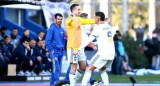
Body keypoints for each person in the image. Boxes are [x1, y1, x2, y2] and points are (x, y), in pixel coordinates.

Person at [54, 13, 101, 86]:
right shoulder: (79, 26)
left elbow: (85, 38)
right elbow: (83, 38)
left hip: (79, 48)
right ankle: (90, 81)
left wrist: (91, 44)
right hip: (75, 48)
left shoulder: (82, 27)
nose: (86, 21)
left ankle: (67, 81)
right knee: (79, 65)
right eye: (85, 19)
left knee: (77, 66)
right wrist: (92, 44)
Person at [73, 12, 115, 86]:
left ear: (98, 18)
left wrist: (78, 49)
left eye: (94, 17)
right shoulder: (109, 26)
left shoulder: (98, 28)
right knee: (102, 69)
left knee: (89, 69)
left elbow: (88, 40)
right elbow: (105, 39)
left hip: (103, 53)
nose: (93, 19)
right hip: (111, 53)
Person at [66, 4, 95, 86]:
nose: (80, 11)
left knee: (82, 67)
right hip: (72, 47)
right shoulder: (69, 19)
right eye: (78, 9)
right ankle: (72, 84)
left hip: (80, 48)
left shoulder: (80, 20)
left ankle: (71, 82)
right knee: (73, 67)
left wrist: (99, 20)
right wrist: (72, 19)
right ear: (73, 11)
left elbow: (88, 21)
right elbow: (68, 22)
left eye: (80, 9)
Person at [45, 13, 65, 86]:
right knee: (56, 67)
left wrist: (63, 50)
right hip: (54, 51)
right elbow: (47, 41)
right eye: (58, 19)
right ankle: (58, 83)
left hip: (60, 51)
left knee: (55, 69)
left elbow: (63, 41)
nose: (60, 20)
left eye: (61, 19)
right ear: (55, 19)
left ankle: (51, 84)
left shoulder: (62, 29)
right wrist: (51, 49)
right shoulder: (51, 29)